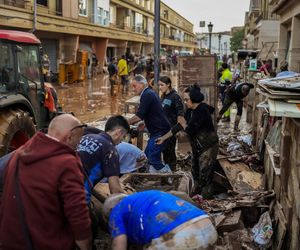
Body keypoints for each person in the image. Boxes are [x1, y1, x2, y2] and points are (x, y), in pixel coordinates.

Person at [0, 114, 92, 250]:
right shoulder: (66, 162)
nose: (77, 147)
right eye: (77, 142)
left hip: (9, 240)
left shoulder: (19, 153)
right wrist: (86, 245)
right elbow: (78, 212)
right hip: (44, 243)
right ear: (70, 136)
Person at [156, 84, 219, 196]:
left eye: (186, 99)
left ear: (193, 99)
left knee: (205, 175)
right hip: (197, 146)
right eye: (184, 99)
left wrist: (184, 124)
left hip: (207, 146)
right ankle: (196, 196)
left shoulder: (202, 110)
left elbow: (190, 130)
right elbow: (178, 126)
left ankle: (206, 201)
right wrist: (164, 138)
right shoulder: (190, 111)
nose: (185, 102)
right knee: (195, 172)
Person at [103, 190, 218, 250]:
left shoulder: (116, 210)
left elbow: (119, 245)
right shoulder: (148, 197)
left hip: (179, 239)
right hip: (208, 228)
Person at [77, 115, 130, 203]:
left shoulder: (85, 137)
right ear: (119, 132)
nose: (121, 141)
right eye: (123, 137)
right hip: (78, 197)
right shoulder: (110, 150)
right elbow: (115, 191)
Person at [128, 75, 171, 173]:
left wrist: (123, 123)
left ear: (142, 84)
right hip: (157, 130)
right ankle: (154, 177)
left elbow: (139, 116)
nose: (133, 89)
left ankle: (169, 176)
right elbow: (152, 112)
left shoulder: (147, 94)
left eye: (135, 86)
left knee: (152, 158)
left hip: (160, 132)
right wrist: (145, 123)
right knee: (147, 156)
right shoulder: (149, 93)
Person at [159, 76, 184, 170]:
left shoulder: (175, 97)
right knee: (165, 153)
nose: (160, 87)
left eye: (162, 85)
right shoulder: (163, 96)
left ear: (168, 84)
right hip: (163, 130)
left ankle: (172, 172)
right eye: (159, 85)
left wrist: (178, 131)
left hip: (171, 130)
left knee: (170, 153)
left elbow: (180, 114)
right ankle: (167, 172)